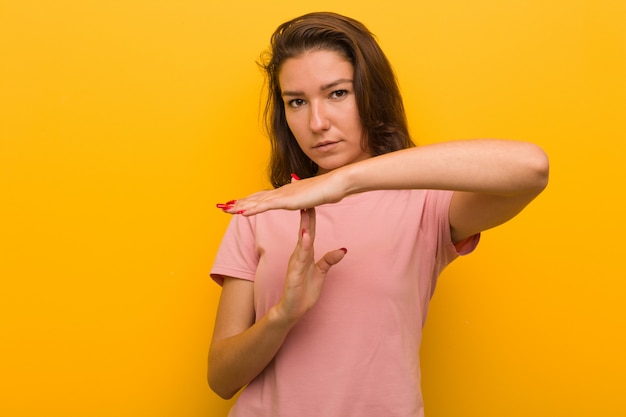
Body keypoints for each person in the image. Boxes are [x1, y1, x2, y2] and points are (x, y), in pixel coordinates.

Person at [208, 11, 549, 417]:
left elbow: (531, 167)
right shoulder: (262, 212)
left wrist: (344, 181)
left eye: (337, 93)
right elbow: (221, 379)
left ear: (371, 94)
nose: (317, 123)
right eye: (296, 102)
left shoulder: (424, 204)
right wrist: (283, 314)